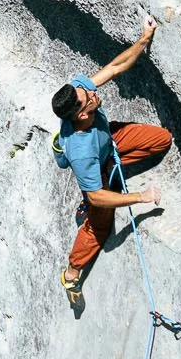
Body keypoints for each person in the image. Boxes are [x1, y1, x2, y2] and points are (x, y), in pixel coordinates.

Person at [53, 20, 171, 306]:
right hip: (94, 152)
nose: (93, 92)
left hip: (109, 138)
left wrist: (144, 39)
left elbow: (115, 67)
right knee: (99, 226)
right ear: (81, 115)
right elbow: (97, 196)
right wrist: (141, 197)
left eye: (87, 91)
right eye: (88, 98)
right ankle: (71, 274)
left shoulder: (79, 91)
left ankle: (103, 169)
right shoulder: (81, 149)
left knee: (161, 139)